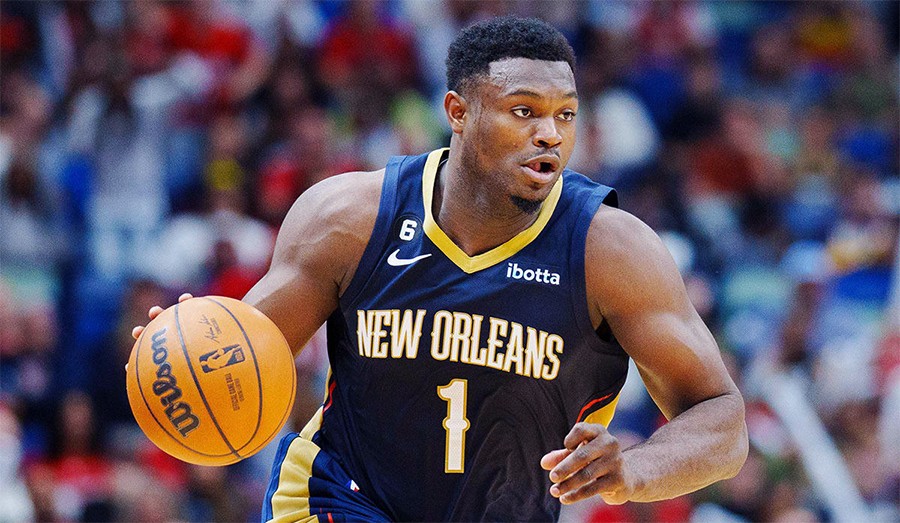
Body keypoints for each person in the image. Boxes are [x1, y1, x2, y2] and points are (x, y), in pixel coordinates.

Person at [133, 16, 747, 522]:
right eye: (523, 111)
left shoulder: (611, 251)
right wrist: (187, 353)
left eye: (565, 115)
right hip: (338, 501)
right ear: (458, 110)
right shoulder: (350, 218)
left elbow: (722, 418)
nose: (549, 135)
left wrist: (633, 469)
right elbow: (246, 355)